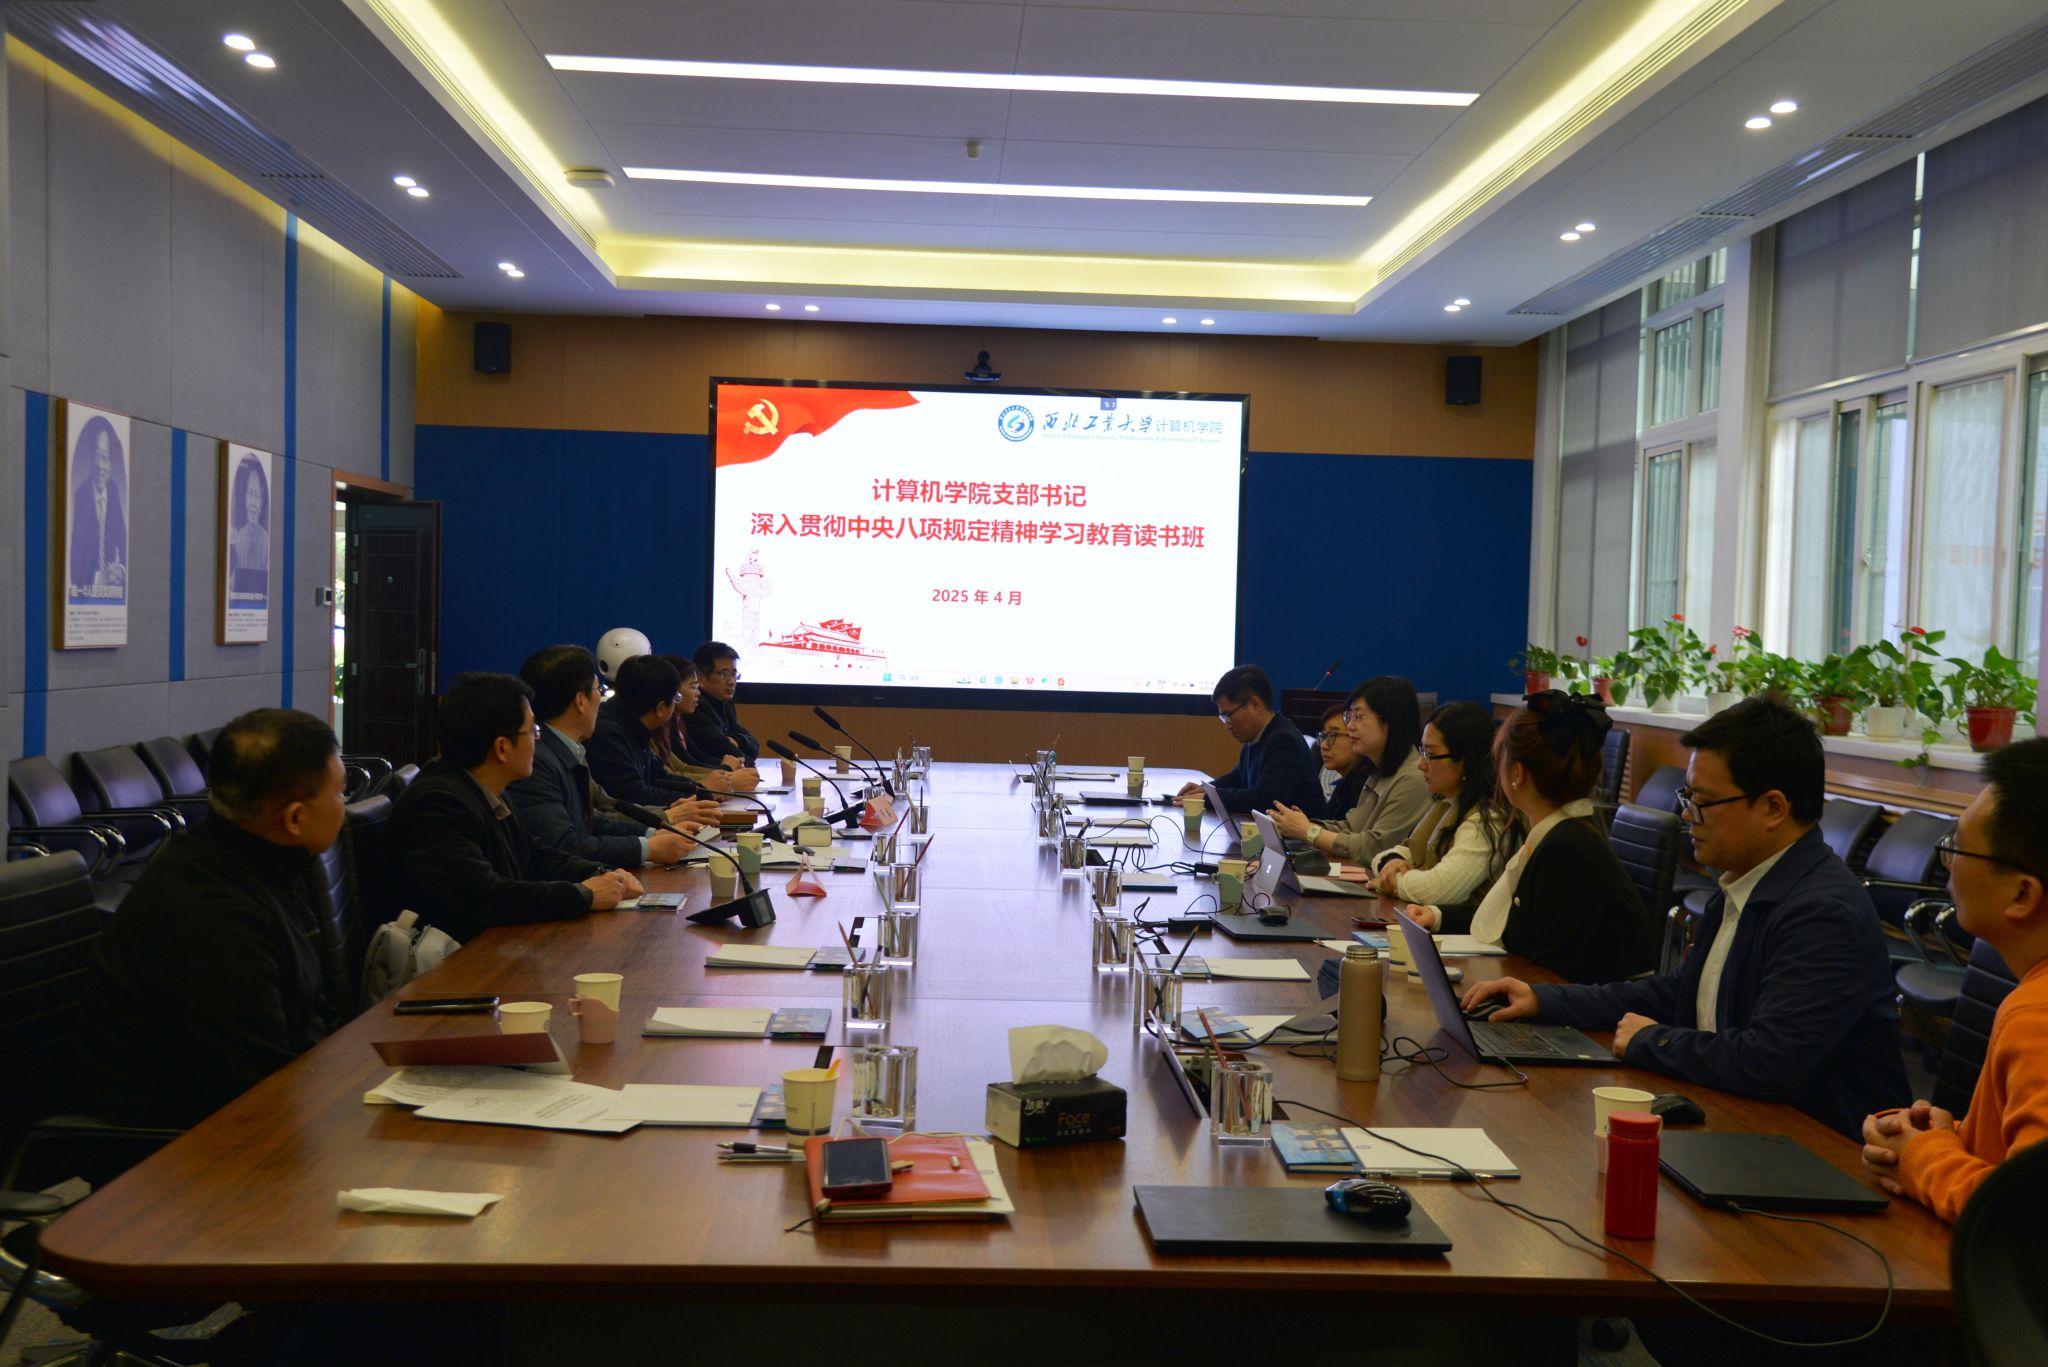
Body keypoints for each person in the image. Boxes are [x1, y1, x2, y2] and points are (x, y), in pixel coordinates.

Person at [1463, 697, 1909, 1138]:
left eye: (1703, 801)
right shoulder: (1745, 880)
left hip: (1819, 1149)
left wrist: (1652, 1040)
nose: (1686, 814)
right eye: (1687, 796)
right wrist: (1544, 1000)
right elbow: (1677, 993)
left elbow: (1771, 1062)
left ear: (1773, 808)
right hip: (1742, 1119)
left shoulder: (1822, 913)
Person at [79, 708, 346, 1128]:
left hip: (259, 1113)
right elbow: (255, 1092)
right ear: (295, 818)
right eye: (340, 794)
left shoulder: (253, 861)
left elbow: (308, 1010)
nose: (344, 805)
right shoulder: (212, 918)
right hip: (178, 1148)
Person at [1862, 739, 2048, 1220]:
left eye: (1958, 847)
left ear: (2022, 895)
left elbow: (2025, 1217)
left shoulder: (2037, 1018)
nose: (1948, 863)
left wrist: (1923, 1159)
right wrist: (1949, 1138)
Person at [1416, 692, 1650, 982]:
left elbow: (1552, 966)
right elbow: (1519, 919)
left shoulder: (1565, 851)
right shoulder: (1560, 831)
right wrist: (1438, 915)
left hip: (1587, 1005)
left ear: (1517, 773)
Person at [390, 672, 637, 944]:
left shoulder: (487, 788)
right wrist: (585, 895)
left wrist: (598, 873)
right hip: (457, 960)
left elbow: (535, 856)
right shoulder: (438, 804)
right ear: (502, 748)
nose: (537, 740)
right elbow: (486, 897)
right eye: (532, 731)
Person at [507, 645, 717, 867]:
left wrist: (653, 833)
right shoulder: (537, 761)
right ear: (581, 701)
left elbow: (598, 816)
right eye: (598, 689)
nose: (601, 698)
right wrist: (648, 847)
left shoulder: (570, 749)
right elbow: (561, 845)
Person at [1267, 675, 1430, 866]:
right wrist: (1299, 825)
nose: (1350, 726)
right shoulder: (1380, 770)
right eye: (1349, 717)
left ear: (1391, 721)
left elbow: (1374, 848)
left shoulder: (1413, 778)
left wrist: (1308, 832)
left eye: (1358, 717)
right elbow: (1352, 828)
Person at [1371, 700, 1509, 920]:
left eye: (1430, 755)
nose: (1421, 764)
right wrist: (1392, 863)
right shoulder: (1447, 803)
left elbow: (1437, 890)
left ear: (1464, 760)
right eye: (1422, 752)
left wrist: (1391, 880)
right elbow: (1395, 853)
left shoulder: (1487, 820)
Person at [1174, 665, 1320, 816]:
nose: (1227, 725)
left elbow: (1265, 799)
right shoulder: (1259, 736)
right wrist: (1206, 789)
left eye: (1228, 715)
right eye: (1223, 718)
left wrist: (1209, 798)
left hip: (1305, 830)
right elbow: (1238, 777)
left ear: (1255, 705)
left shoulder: (1284, 740)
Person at [589, 654, 720, 806]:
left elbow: (659, 776)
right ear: (660, 709)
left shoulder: (635, 724)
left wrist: (701, 791)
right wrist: (704, 794)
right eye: (676, 698)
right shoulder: (608, 733)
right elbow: (634, 794)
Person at [656, 654, 761, 793]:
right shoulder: (693, 714)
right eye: (693, 687)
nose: (697, 693)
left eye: (734, 674)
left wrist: (737, 744)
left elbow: (685, 765)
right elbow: (672, 773)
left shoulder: (725, 705)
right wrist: (726, 773)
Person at [68, 415, 127, 595]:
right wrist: (95, 581)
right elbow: (76, 556)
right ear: (91, 457)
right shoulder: (81, 496)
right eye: (98, 455)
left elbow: (123, 539)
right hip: (88, 589)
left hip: (110, 590)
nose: (101, 465)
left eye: (106, 457)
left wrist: (121, 571)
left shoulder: (114, 491)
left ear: (111, 462)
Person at [686, 640, 761, 765]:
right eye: (724, 674)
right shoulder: (695, 707)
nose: (731, 682)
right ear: (701, 678)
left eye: (734, 674)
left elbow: (755, 745)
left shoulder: (725, 705)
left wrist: (737, 740)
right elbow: (734, 755)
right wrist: (738, 748)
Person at [1311, 703, 1366, 820]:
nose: (1323, 745)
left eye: (1332, 735)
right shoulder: (1344, 783)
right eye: (1323, 736)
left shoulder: (1363, 788)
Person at [229, 452, 270, 587]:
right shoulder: (240, 537)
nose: (253, 503)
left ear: (261, 502)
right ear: (246, 498)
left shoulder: (267, 541)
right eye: (251, 494)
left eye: (257, 496)